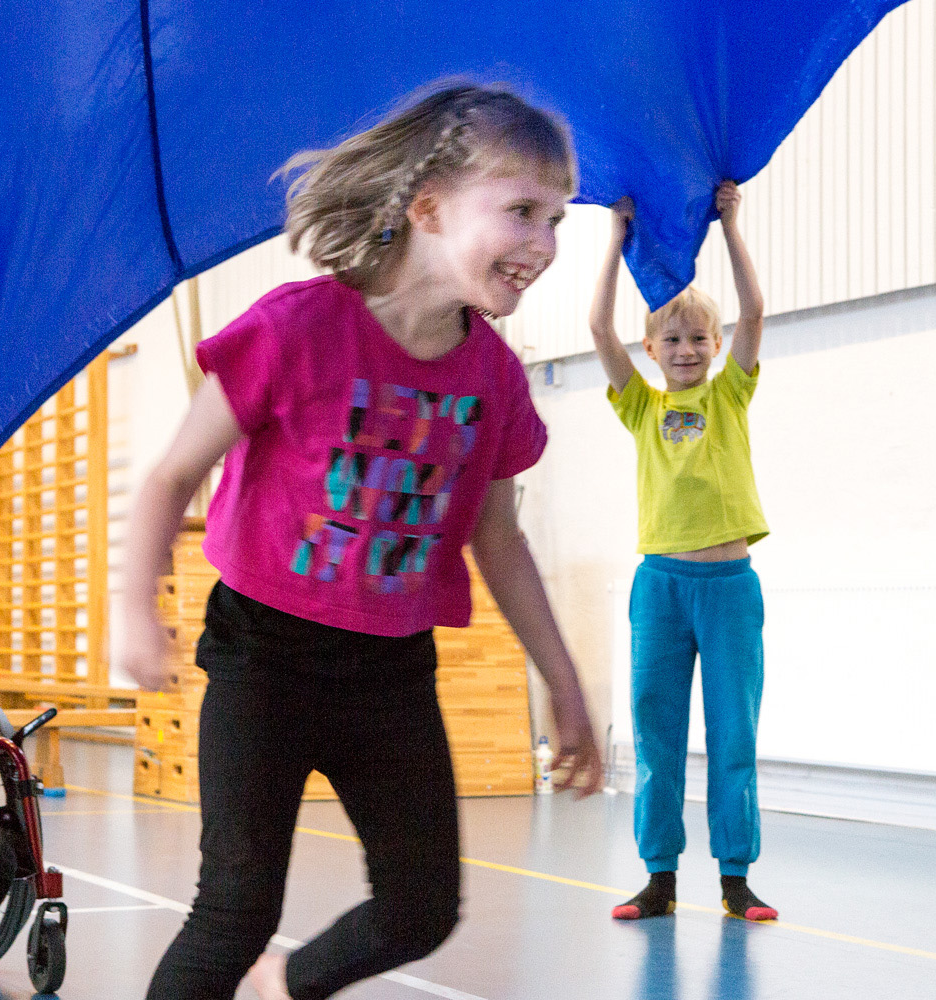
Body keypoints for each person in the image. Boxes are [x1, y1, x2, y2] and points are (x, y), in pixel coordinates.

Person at [120, 83, 603, 1000]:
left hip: (388, 672)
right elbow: (171, 475)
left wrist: (566, 683)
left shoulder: (492, 379)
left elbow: (499, 543)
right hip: (263, 654)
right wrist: (132, 608)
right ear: (427, 207)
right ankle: (249, 968)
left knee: (421, 908)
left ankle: (287, 986)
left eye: (557, 219)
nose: (543, 245)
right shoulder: (297, 329)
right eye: (521, 213)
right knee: (233, 911)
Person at [588, 183, 778, 922]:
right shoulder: (642, 406)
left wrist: (731, 226)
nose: (688, 350)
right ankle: (658, 877)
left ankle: (736, 878)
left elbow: (755, 312)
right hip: (660, 588)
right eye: (672, 340)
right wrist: (615, 238)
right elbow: (598, 328)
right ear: (653, 350)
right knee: (656, 733)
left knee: (734, 731)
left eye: (699, 338)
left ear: (716, 345)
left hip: (729, 587)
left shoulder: (731, 394)